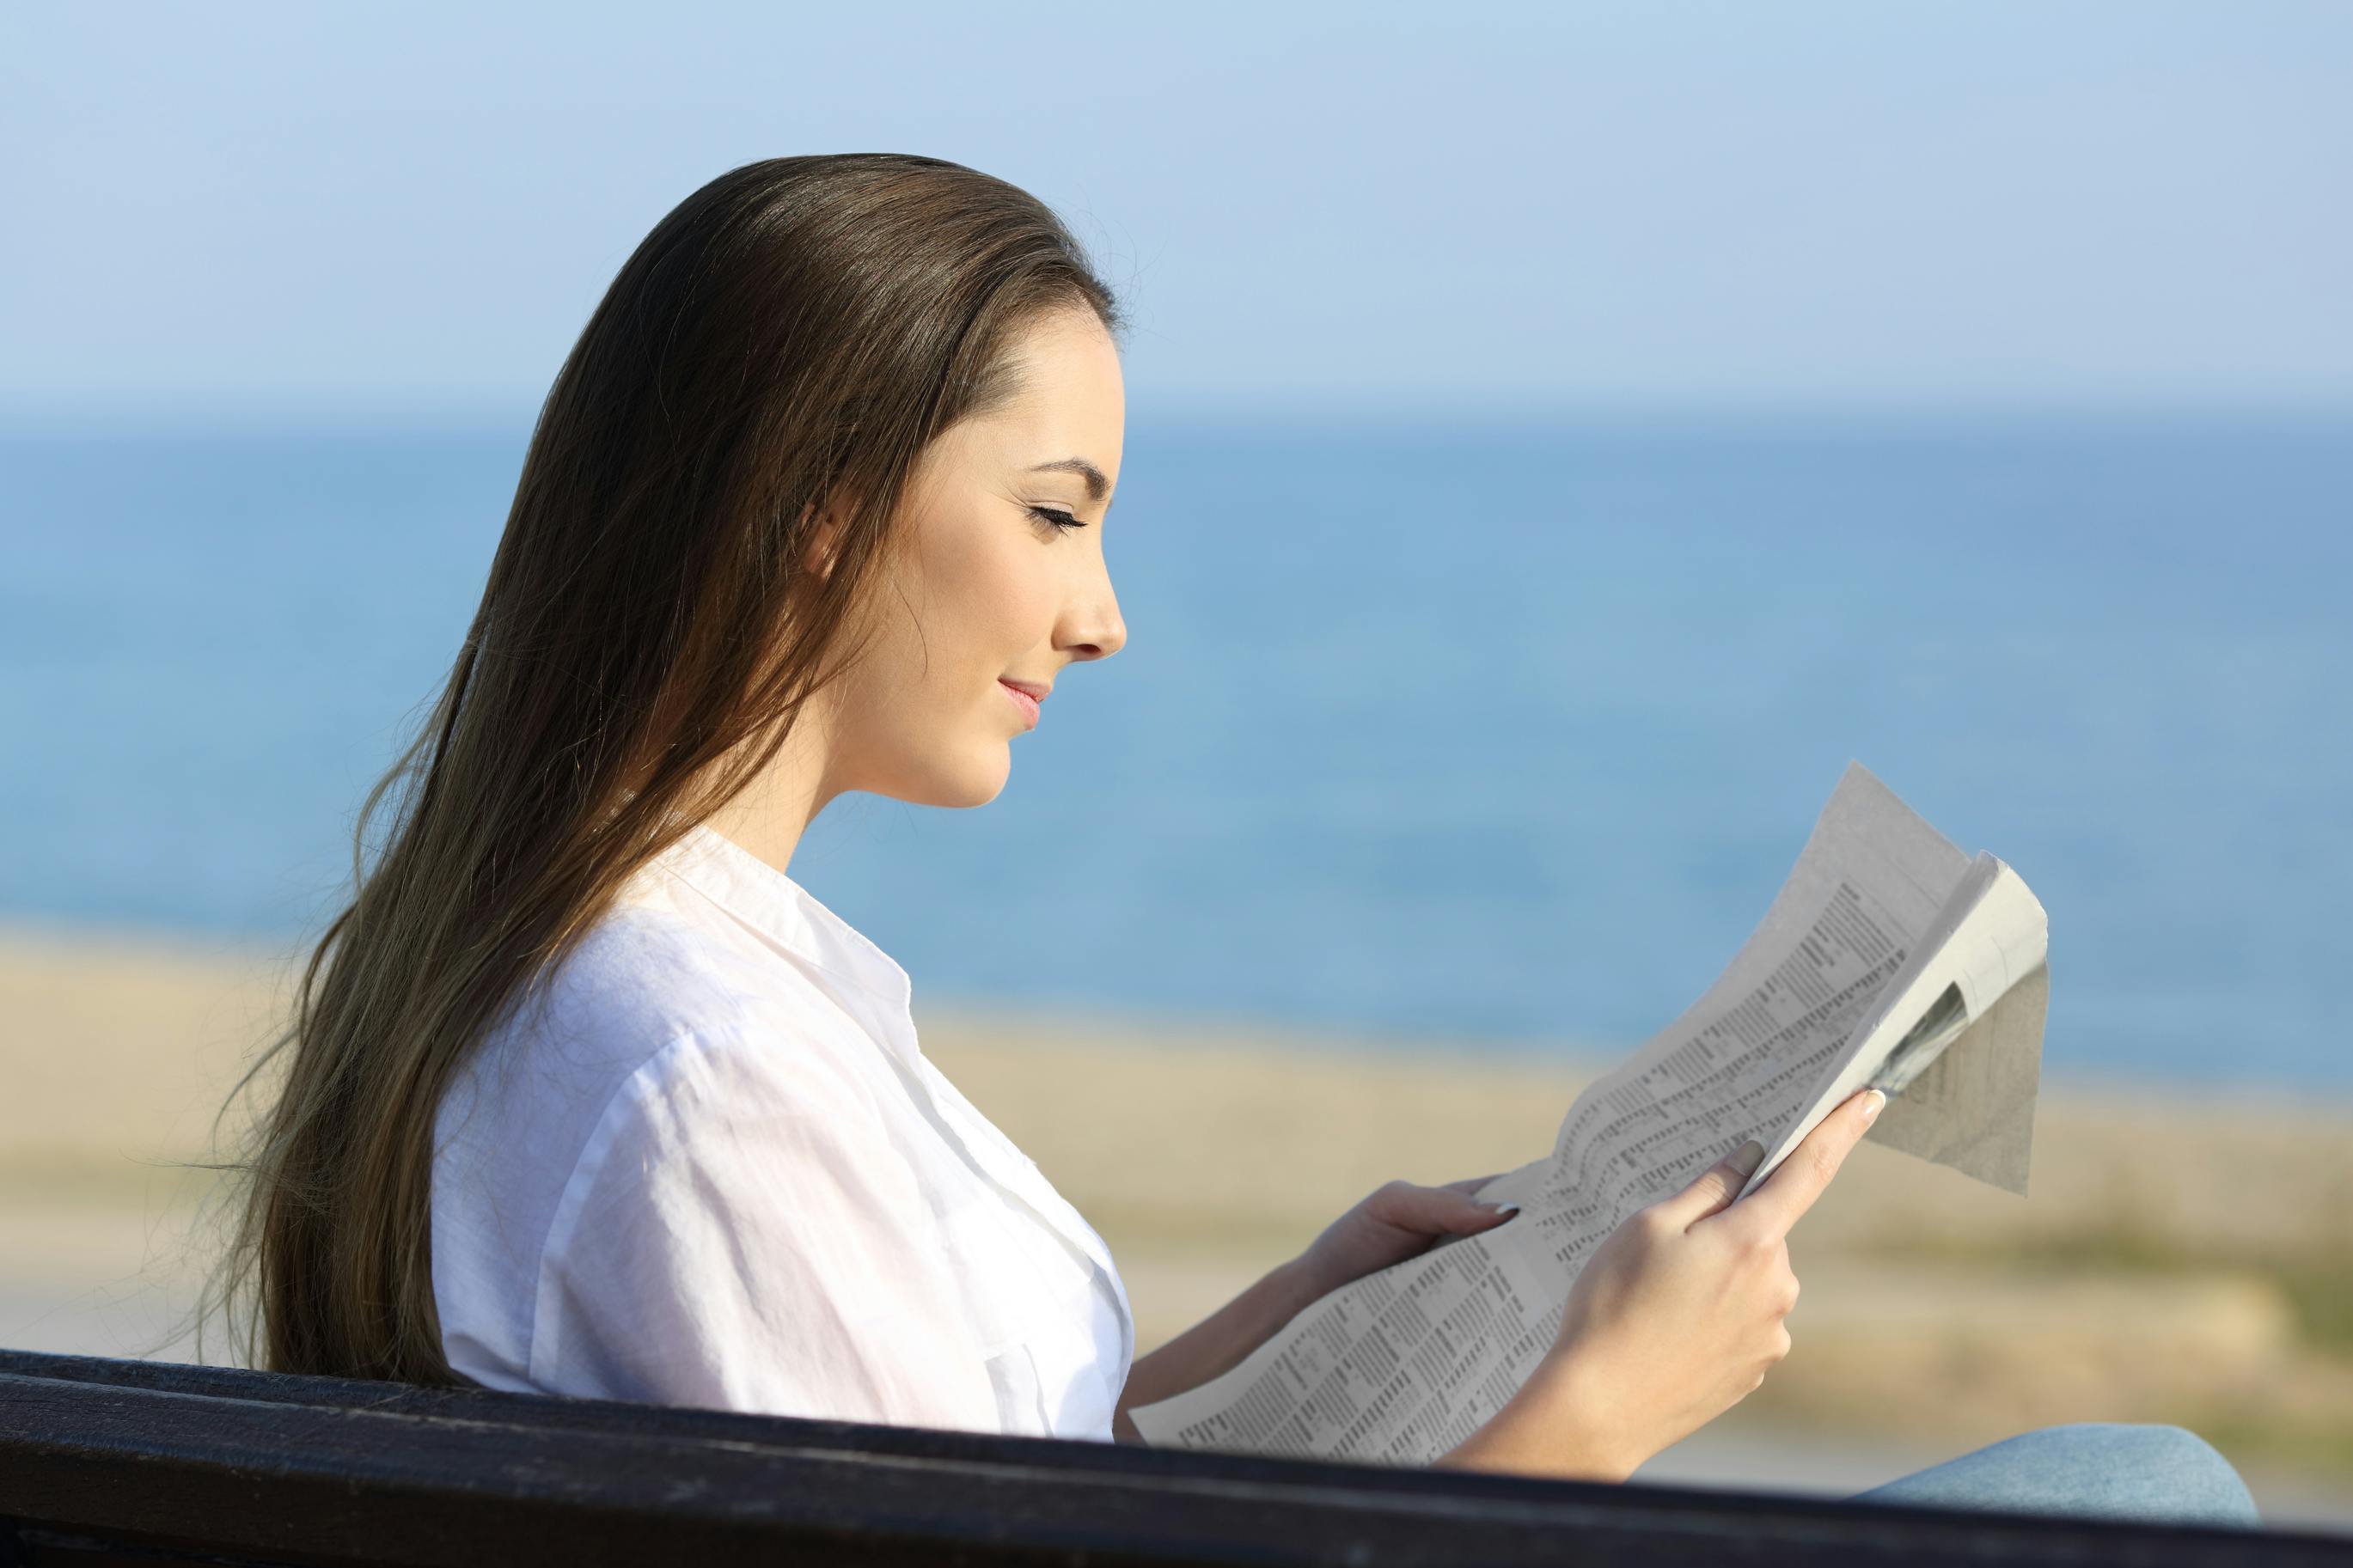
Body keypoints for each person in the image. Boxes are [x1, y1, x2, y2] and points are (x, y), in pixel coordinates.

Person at [202, 153, 2261, 1531]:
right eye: (1053, 511)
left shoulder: (648, 977)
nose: (1101, 614)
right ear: (816, 506)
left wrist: (1284, 1316)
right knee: (2140, 1495)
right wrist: (1595, 1420)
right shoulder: (697, 1071)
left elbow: (937, 1476)